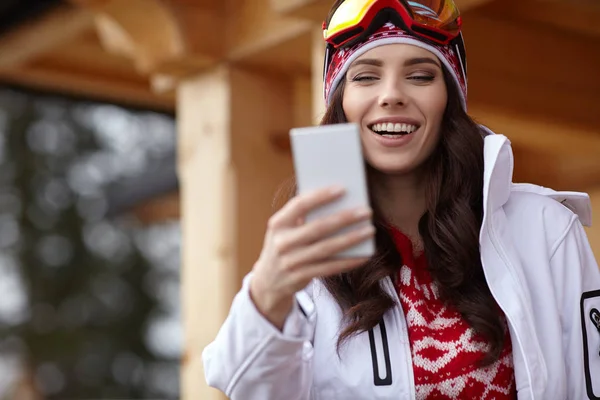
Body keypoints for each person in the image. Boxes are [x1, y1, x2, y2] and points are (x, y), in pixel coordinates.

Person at [202, 0, 600, 399]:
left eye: (421, 76)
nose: (391, 95)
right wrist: (268, 292)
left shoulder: (545, 228)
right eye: (366, 77)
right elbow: (246, 388)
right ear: (340, 102)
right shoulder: (308, 263)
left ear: (450, 100)